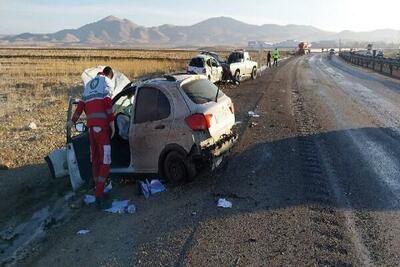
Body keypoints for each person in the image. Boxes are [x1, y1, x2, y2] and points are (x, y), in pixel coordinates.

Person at [67, 66, 115, 207]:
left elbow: (81, 106)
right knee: (106, 160)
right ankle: (99, 194)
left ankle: (96, 189)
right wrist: (112, 122)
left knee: (95, 160)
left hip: (91, 130)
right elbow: (107, 103)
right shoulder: (107, 82)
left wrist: (72, 121)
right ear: (110, 75)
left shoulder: (89, 85)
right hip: (102, 128)